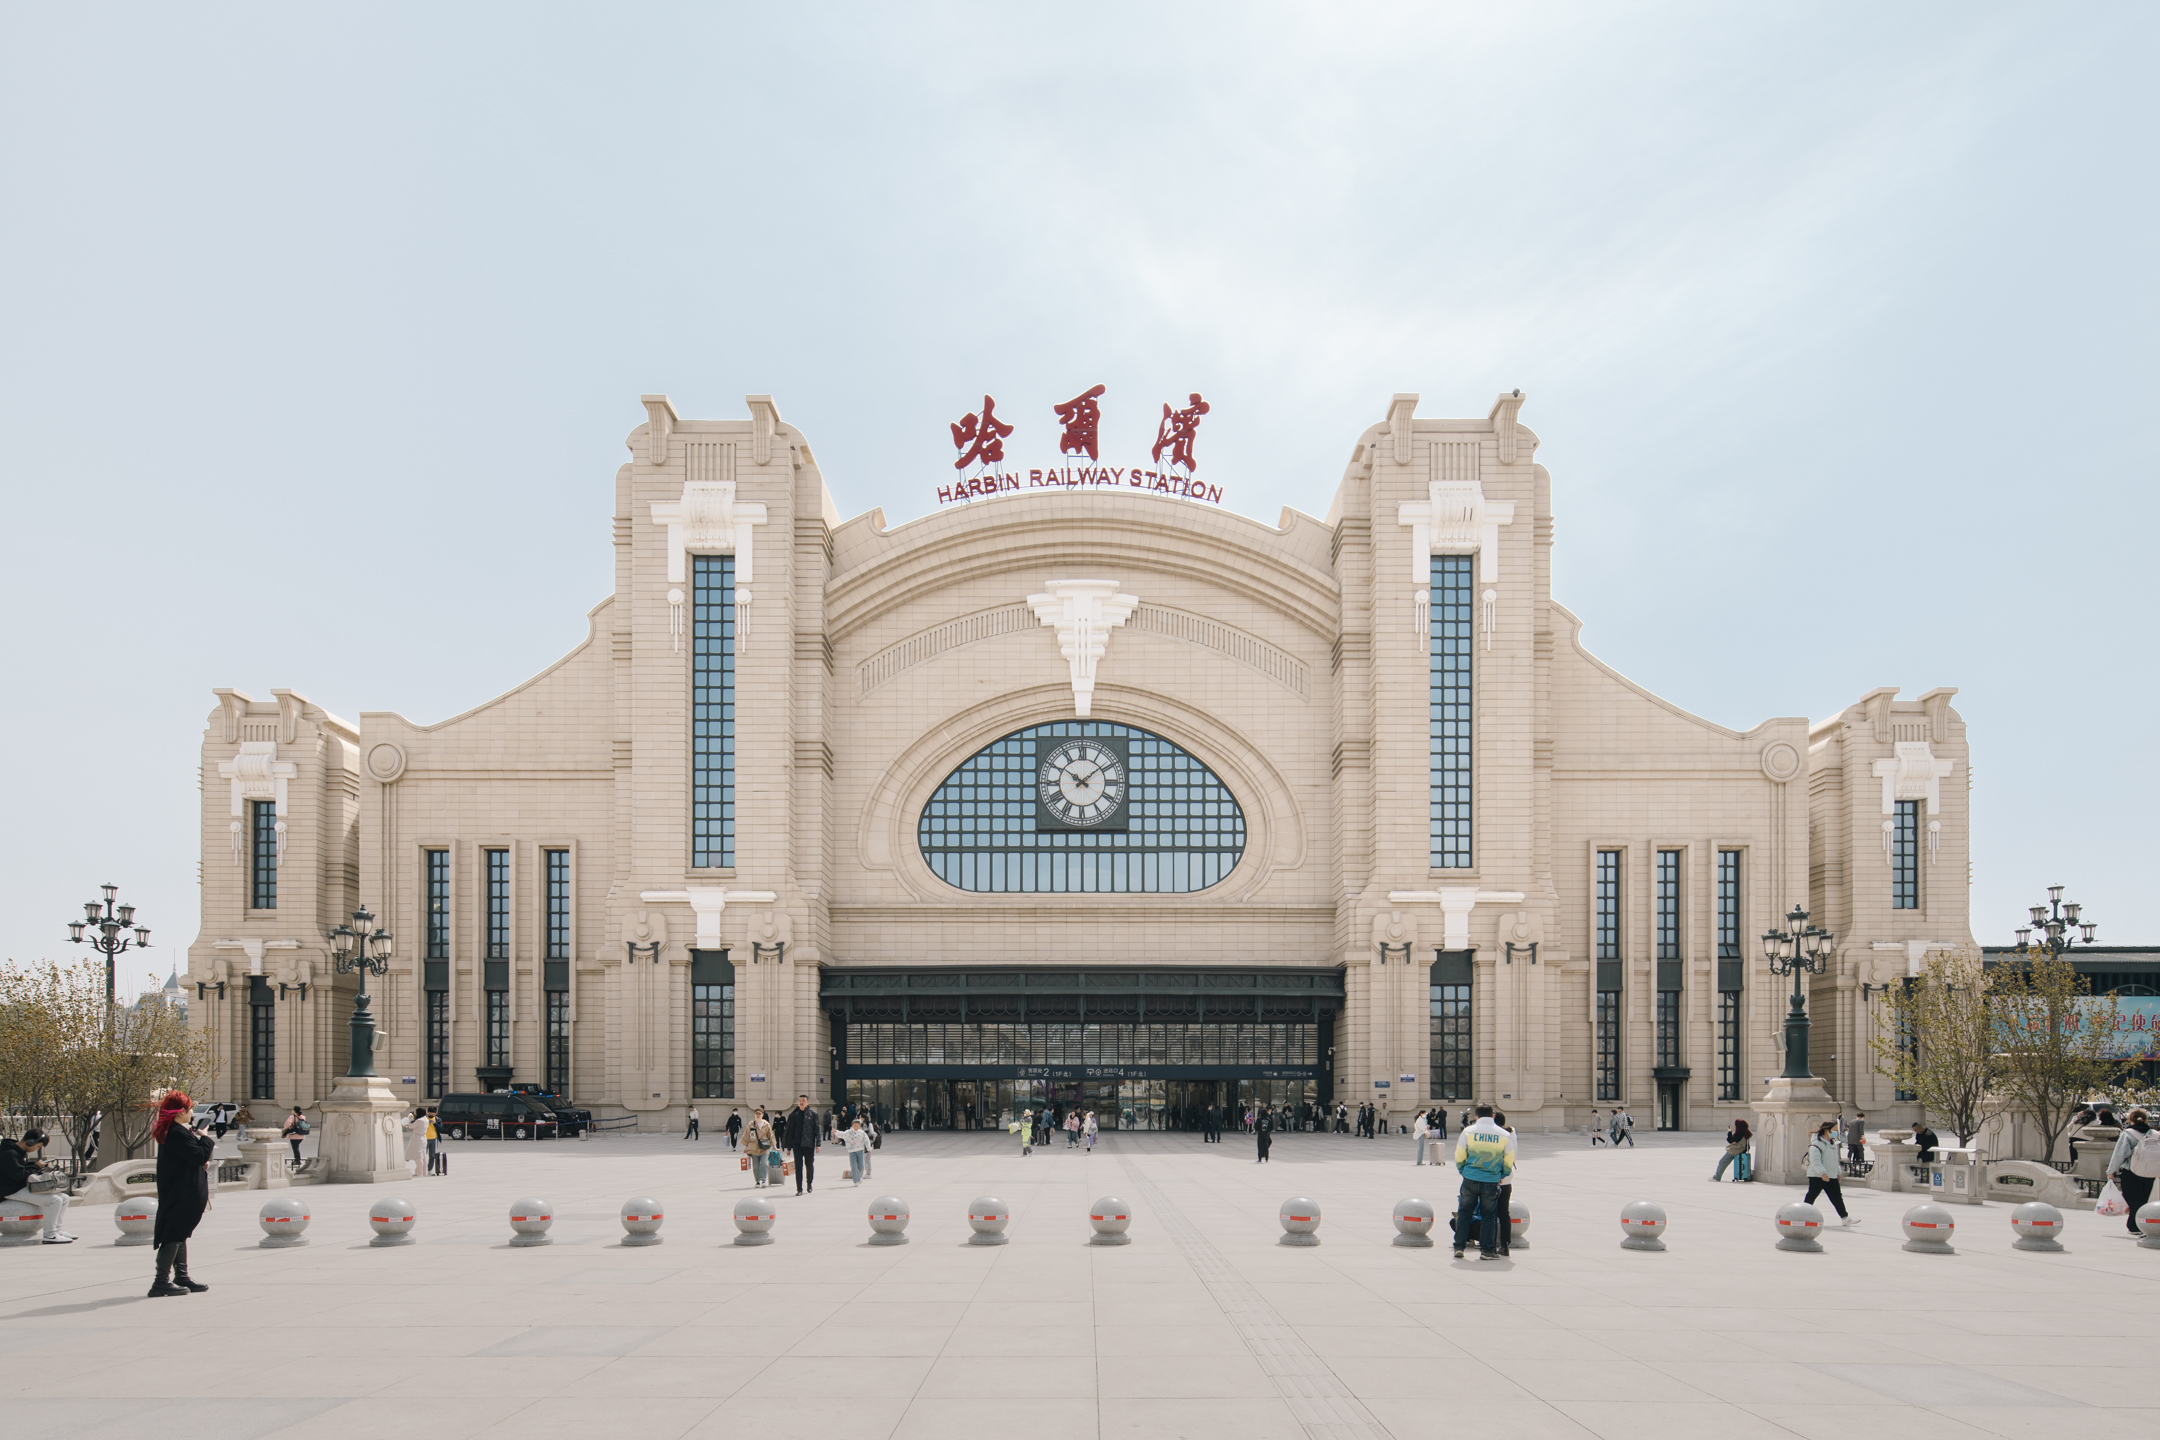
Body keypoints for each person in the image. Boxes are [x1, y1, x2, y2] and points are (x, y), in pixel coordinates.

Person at [149, 1092, 215, 1296]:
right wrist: (206, 1139)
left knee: (180, 1233)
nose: (193, 1112)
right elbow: (197, 1156)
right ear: (181, 1111)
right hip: (181, 1193)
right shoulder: (176, 1132)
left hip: (182, 1191)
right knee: (174, 1234)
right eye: (190, 1108)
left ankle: (181, 1276)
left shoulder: (176, 1131)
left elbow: (190, 1158)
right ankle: (160, 1281)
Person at [1451, 1104, 1517, 1260]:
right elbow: (1509, 1158)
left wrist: (1463, 1170)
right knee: (1489, 1216)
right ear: (1492, 1116)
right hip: (1491, 1179)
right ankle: (1487, 1251)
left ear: (1476, 1117)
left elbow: (1459, 1154)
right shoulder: (1503, 1134)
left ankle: (1459, 1247)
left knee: (1465, 1213)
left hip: (1470, 1178)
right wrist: (1504, 1173)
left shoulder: (1468, 1131)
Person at [1, 1127, 75, 1244]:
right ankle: (50, 1235)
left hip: (20, 1187)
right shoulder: (10, 1154)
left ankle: (58, 1230)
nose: (37, 1149)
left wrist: (34, 1166)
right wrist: (36, 1167)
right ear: (30, 1142)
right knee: (54, 1201)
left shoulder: (17, 1151)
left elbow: (21, 1171)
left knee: (64, 1198)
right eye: (38, 1146)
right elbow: (18, 1176)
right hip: (11, 1190)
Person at [2107, 1108, 2158, 1236]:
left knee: (2133, 1199)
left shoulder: (2128, 1134)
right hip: (2150, 1172)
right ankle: (2140, 1224)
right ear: (2146, 1119)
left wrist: (2111, 1171)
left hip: (2131, 1172)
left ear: (2130, 1120)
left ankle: (2135, 1226)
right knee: (2144, 1199)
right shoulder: (2156, 1134)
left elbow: (2119, 1154)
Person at [1803, 1120, 1858, 1225]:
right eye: (1834, 1130)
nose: (1837, 1132)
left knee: (1837, 1197)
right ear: (1827, 1130)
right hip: (1818, 1176)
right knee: (1812, 1196)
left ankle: (1845, 1218)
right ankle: (1802, 1215)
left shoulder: (1832, 1143)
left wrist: (1837, 1172)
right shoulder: (1817, 1144)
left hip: (1831, 1176)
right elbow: (1815, 1161)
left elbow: (1834, 1160)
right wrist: (1822, 1173)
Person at [783, 1095, 820, 1195]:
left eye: (803, 1100)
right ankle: (799, 1189)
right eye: (800, 1100)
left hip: (809, 1144)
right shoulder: (794, 1114)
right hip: (797, 1144)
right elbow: (789, 1131)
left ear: (807, 1102)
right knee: (798, 1167)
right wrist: (788, 1147)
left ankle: (809, 1184)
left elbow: (817, 1129)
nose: (801, 1102)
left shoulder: (813, 1114)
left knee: (809, 1165)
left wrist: (818, 1144)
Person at [1492, 1109, 1516, 1255]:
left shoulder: (1498, 1134)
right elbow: (1513, 1155)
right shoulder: (1511, 1133)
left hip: (1493, 1178)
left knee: (1491, 1214)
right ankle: (1505, 1245)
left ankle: (1492, 1243)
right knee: (1504, 1213)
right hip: (1507, 1179)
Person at [745, 1107, 775, 1187]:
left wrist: (773, 1145)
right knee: (756, 1165)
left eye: (759, 1114)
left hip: (764, 1147)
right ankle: (757, 1181)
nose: (758, 1115)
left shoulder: (766, 1124)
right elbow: (746, 1136)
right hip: (753, 1147)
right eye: (756, 1114)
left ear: (762, 1114)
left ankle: (763, 1179)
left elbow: (771, 1135)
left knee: (764, 1163)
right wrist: (745, 1146)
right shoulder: (751, 1125)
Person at [839, 1117, 871, 1186]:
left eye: (857, 1126)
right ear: (852, 1126)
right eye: (854, 1125)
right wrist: (836, 1132)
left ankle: (859, 1177)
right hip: (852, 1151)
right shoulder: (849, 1132)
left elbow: (866, 1140)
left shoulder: (862, 1133)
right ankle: (855, 1180)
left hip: (860, 1151)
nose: (856, 1127)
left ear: (859, 1126)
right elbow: (842, 1134)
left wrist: (869, 1148)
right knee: (854, 1166)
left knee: (861, 1167)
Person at [402, 1107, 428, 1178]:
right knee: (423, 1155)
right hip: (423, 1137)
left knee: (418, 1155)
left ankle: (419, 1172)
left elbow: (410, 1126)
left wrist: (410, 1118)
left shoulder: (419, 1120)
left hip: (418, 1138)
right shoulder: (425, 1119)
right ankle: (424, 1171)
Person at [426, 1109, 444, 1176]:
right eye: (430, 1113)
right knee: (423, 1155)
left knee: (432, 1155)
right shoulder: (424, 1119)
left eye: (433, 1113)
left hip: (433, 1139)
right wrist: (427, 1122)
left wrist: (435, 1124)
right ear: (428, 1112)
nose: (432, 1114)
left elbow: (441, 1128)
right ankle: (422, 1169)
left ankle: (430, 1169)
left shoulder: (438, 1119)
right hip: (425, 1139)